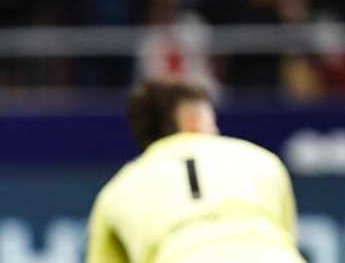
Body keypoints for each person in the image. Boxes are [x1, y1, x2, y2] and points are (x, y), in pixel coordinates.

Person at [86, 79, 305, 263]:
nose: (217, 131)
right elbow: (288, 238)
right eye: (213, 122)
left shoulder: (116, 191)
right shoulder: (261, 159)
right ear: (192, 120)